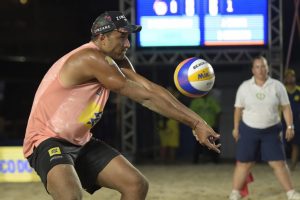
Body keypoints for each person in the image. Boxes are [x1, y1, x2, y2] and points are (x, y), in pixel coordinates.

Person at [23, 11, 220, 200]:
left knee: (136, 185)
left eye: (128, 37)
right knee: (70, 196)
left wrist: (198, 122)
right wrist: (195, 124)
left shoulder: (116, 59)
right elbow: (145, 98)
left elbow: (151, 89)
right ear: (102, 38)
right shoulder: (90, 58)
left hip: (81, 141)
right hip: (47, 140)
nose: (127, 44)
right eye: (122, 37)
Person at [229, 56, 300, 200]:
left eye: (263, 66)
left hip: (271, 131)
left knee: (279, 163)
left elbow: (286, 108)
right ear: (252, 70)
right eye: (257, 67)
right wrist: (235, 128)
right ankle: (235, 193)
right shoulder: (244, 87)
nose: (260, 70)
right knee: (244, 163)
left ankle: (291, 193)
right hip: (249, 130)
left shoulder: (277, 86)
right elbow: (238, 109)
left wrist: (290, 126)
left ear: (267, 68)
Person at [189, 91, 221, 164]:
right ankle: (195, 161)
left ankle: (216, 161)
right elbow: (190, 114)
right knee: (198, 144)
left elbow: (218, 112)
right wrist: (194, 125)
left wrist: (216, 123)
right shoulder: (195, 101)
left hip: (211, 126)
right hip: (199, 127)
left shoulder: (212, 100)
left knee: (214, 143)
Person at [283, 69, 300, 171]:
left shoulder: (298, 90)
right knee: (282, 144)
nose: (290, 78)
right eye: (288, 76)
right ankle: (282, 165)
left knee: (296, 144)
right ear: (285, 78)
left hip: (297, 122)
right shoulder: (282, 90)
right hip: (283, 121)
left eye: (292, 76)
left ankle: (292, 166)